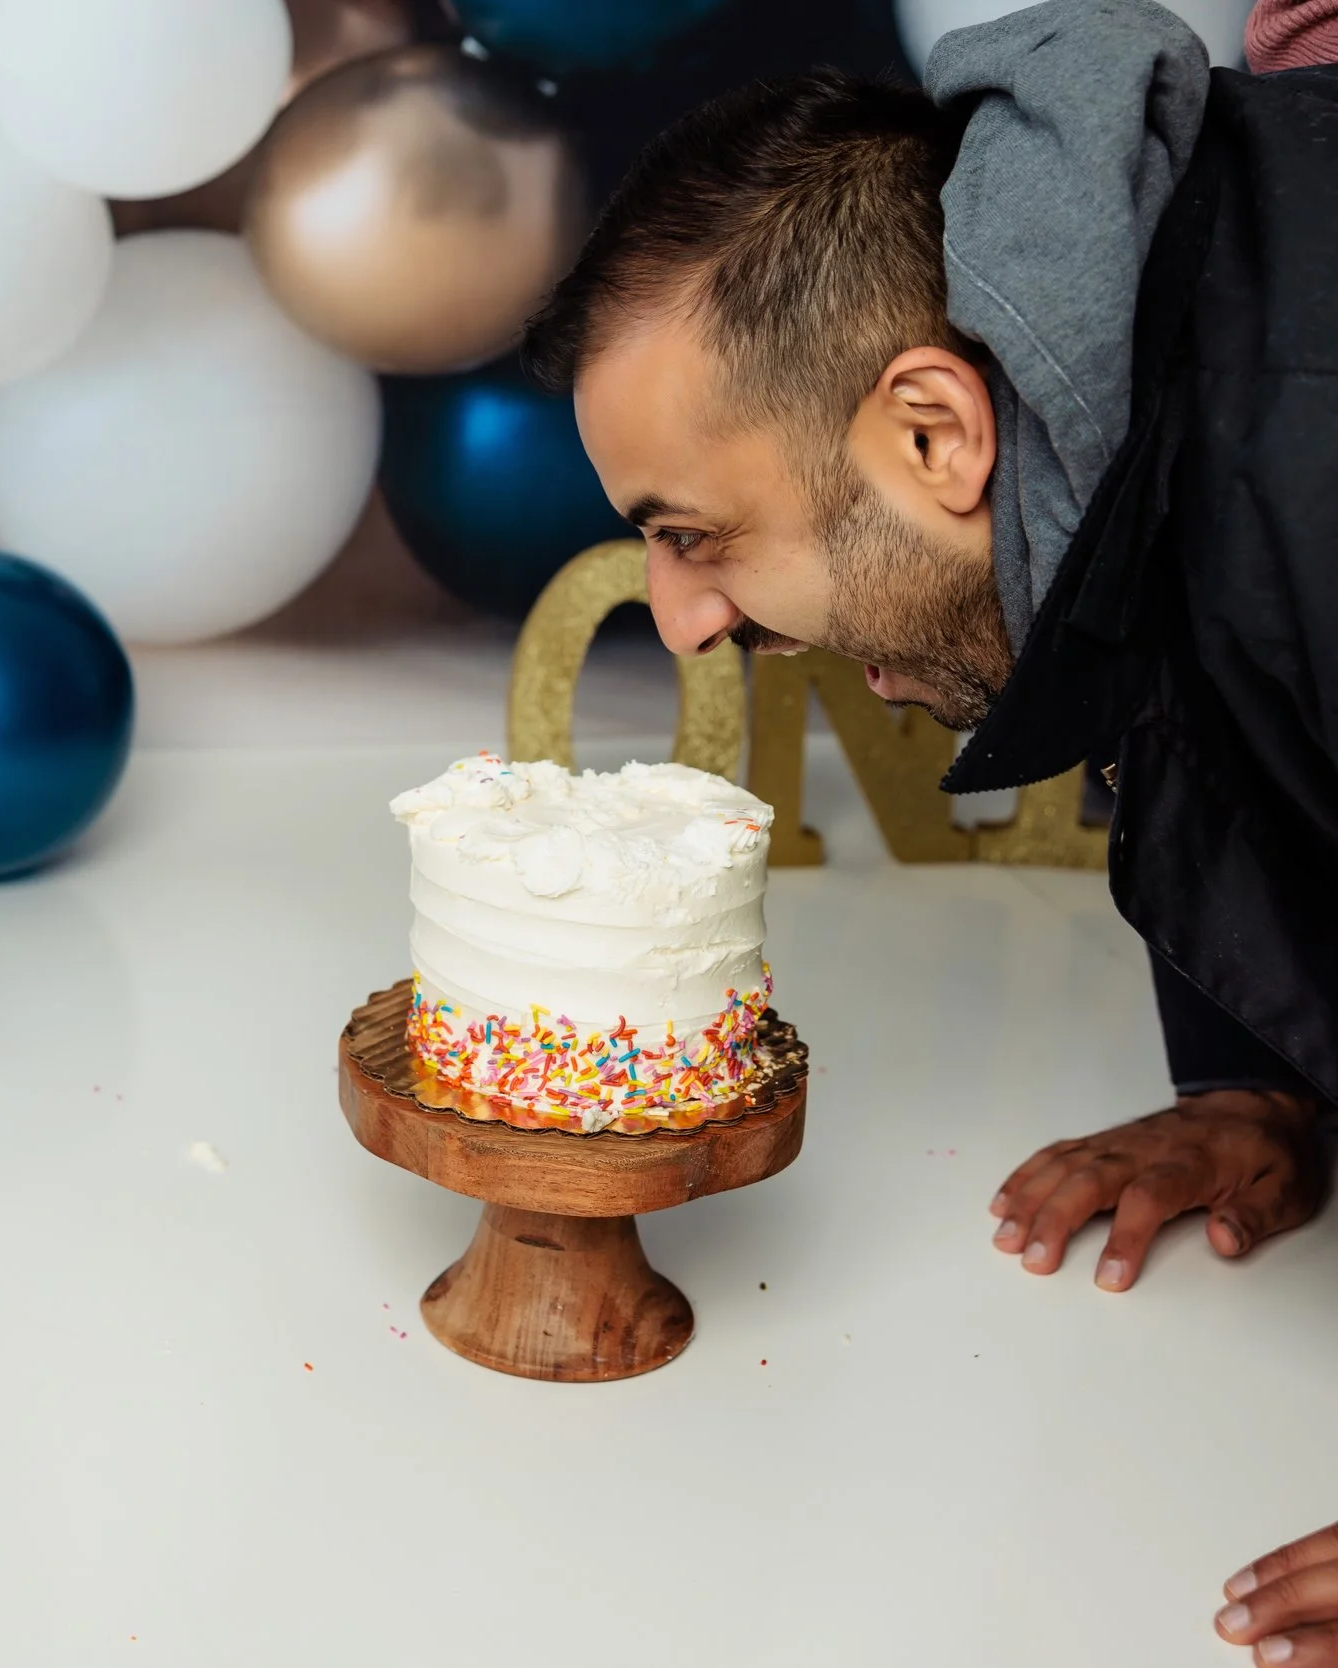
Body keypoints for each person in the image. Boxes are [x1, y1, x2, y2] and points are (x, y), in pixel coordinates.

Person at [519, 0, 1334, 1656]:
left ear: (935, 432)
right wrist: (1268, 1074)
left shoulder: (1312, 455)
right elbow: (1169, 633)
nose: (678, 620)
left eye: (695, 532)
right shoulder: (1140, 369)